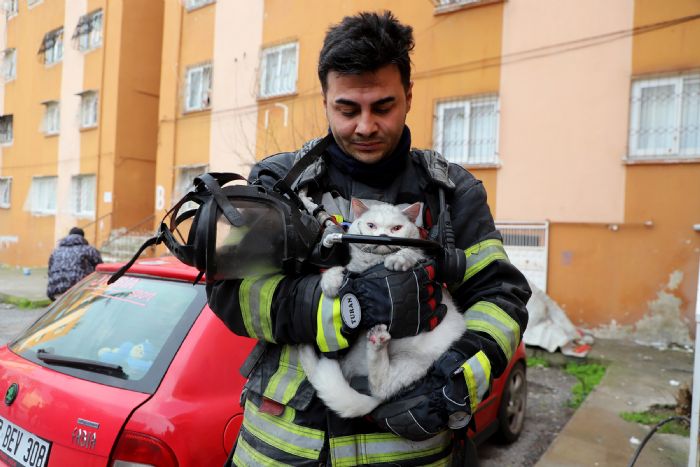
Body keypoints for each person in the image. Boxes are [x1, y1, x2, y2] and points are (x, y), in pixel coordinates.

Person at [207, 11, 531, 466]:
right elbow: (230, 293)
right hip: (284, 450)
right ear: (325, 100)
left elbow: (500, 297)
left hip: (411, 448)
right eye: (347, 109)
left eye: (382, 107)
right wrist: (340, 308)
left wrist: (453, 378)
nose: (365, 126)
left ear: (409, 96)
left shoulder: (452, 192)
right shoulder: (278, 183)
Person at [47, 227, 103, 301]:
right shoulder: (89, 250)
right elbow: (100, 270)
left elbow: (50, 271)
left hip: (55, 290)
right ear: (82, 237)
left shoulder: (56, 251)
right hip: (79, 290)